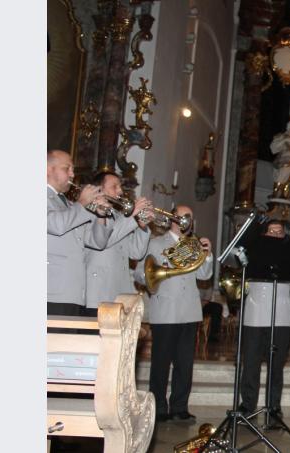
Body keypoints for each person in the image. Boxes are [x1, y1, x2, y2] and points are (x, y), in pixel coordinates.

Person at [135, 205, 213, 423]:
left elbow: (205, 275)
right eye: (182, 216)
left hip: (190, 310)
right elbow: (139, 273)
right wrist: (153, 276)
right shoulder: (155, 243)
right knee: (160, 362)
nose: (187, 220)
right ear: (172, 218)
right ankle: (158, 406)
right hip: (165, 309)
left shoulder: (195, 244)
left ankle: (180, 406)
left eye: (190, 217)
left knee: (185, 364)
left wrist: (207, 255)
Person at [239, 220, 290, 416]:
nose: (275, 234)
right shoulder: (254, 252)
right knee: (251, 363)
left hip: (280, 317)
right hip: (255, 314)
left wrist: (288, 261)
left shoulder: (288, 254)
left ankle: (273, 405)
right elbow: (243, 267)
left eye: (279, 232)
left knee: (276, 365)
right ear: (264, 234)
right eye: (271, 231)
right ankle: (248, 404)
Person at [47, 149, 112, 316]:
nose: (72, 174)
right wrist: (82, 203)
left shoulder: (69, 205)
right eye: (66, 168)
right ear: (48, 169)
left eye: (73, 169)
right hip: (51, 290)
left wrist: (101, 216)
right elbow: (56, 225)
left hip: (73, 292)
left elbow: (97, 242)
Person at [83, 171, 153, 316]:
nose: (120, 191)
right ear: (99, 189)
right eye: (114, 186)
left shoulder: (119, 216)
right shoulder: (89, 211)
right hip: (98, 291)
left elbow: (136, 253)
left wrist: (142, 227)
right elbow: (103, 241)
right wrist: (132, 216)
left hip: (120, 291)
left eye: (120, 187)